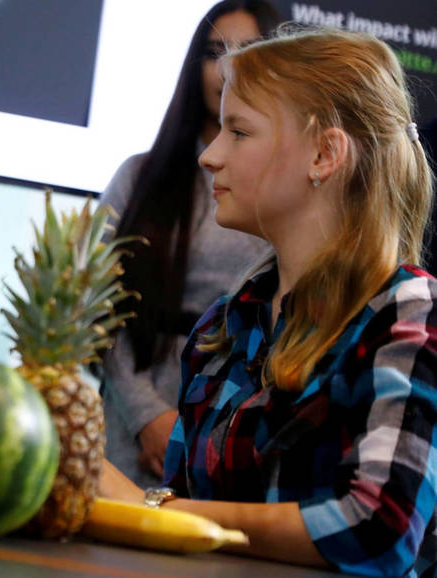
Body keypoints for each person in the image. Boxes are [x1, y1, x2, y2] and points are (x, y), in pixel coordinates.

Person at [100, 27, 436, 575]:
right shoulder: (225, 326)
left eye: (239, 132)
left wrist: (159, 511)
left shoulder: (409, 315)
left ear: (324, 154)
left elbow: (379, 525)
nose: (210, 156)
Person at [102, 0, 279, 488]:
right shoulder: (140, 176)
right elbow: (98, 309)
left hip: (242, 420)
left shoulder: (284, 190)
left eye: (249, 51)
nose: (229, 68)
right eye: (215, 52)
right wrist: (147, 418)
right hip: (133, 414)